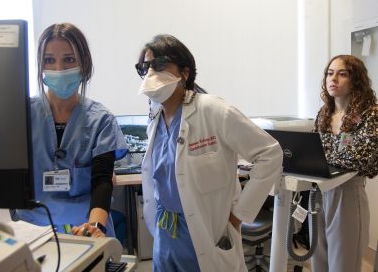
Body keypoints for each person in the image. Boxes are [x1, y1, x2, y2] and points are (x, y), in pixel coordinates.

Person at [134, 34, 283, 272]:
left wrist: (238, 217)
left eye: (159, 64)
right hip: (165, 231)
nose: (151, 73)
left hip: (205, 230)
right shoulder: (155, 118)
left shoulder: (212, 110)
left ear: (184, 73)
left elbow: (270, 154)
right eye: (146, 67)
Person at [16, 23, 127, 238]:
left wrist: (95, 227)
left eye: (69, 59)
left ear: (84, 64)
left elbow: (102, 181)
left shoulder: (100, 119)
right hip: (33, 231)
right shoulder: (22, 117)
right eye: (49, 60)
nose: (59, 69)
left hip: (84, 227)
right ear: (40, 65)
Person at [312, 55, 378, 272]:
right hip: (319, 191)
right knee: (319, 261)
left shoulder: (370, 112)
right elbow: (313, 150)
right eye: (329, 73)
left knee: (343, 264)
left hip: (347, 193)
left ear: (356, 79)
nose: (333, 78)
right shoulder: (324, 113)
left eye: (342, 74)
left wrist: (322, 158)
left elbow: (360, 156)